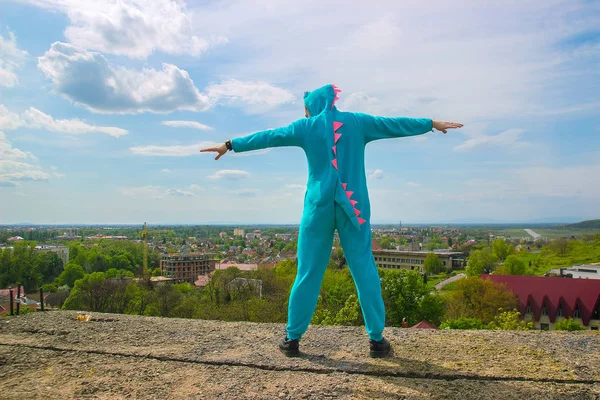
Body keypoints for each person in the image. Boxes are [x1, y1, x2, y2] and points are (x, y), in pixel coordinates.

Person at [201, 84, 463, 358]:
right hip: (355, 207)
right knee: (364, 269)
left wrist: (230, 145)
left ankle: (292, 339)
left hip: (318, 208)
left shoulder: (306, 127)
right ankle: (376, 340)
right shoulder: (358, 122)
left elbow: (269, 136)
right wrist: (430, 123)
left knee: (308, 271)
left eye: (305, 109)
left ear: (311, 107)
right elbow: (393, 124)